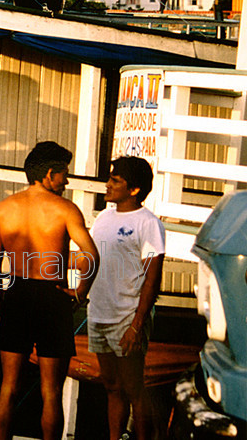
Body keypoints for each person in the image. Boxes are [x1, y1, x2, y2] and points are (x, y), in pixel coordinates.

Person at [0, 141, 99, 440]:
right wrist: (79, 293)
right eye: (64, 174)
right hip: (53, 297)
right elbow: (90, 256)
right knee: (51, 392)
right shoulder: (65, 209)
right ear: (49, 174)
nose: (67, 181)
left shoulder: (3, 209)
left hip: (18, 294)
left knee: (8, 387)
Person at [87, 156, 164, 440]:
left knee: (134, 389)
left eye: (115, 181)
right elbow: (92, 261)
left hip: (127, 317)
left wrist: (136, 324)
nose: (108, 184)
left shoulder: (148, 223)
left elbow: (152, 278)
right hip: (98, 314)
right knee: (111, 386)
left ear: (134, 189)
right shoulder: (103, 217)